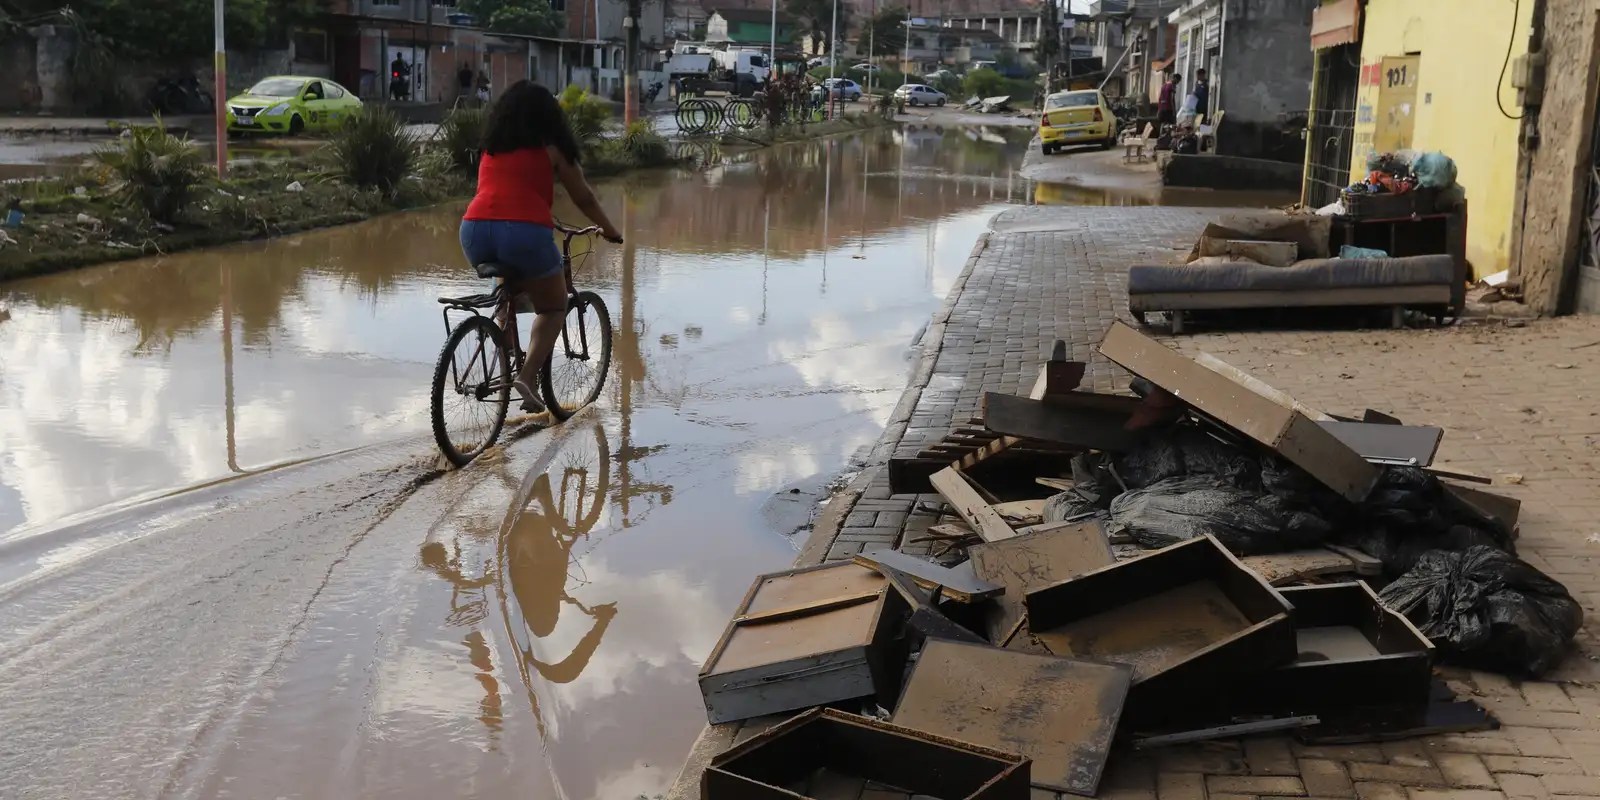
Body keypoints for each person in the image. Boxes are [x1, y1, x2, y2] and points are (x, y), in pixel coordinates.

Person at [461, 80, 623, 414]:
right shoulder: (551, 148)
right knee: (552, 306)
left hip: (474, 230)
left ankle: (503, 339)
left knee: (508, 289)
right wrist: (611, 231)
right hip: (523, 232)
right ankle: (526, 376)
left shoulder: (492, 147)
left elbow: (500, 194)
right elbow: (584, 198)